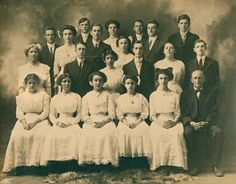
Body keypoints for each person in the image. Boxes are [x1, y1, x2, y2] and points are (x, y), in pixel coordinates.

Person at [2, 74, 50, 173]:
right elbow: (19, 112)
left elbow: (45, 112)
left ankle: (39, 164)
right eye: (29, 83)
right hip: (25, 119)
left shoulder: (44, 95)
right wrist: (24, 123)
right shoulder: (21, 97)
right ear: (26, 84)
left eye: (34, 83)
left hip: (40, 120)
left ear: (38, 84)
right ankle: (19, 164)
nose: (32, 85)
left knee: (42, 135)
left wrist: (35, 122)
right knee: (17, 135)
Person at [181, 70, 224, 177]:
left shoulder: (211, 92)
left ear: (204, 79)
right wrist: (191, 123)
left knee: (219, 133)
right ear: (191, 80)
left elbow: (213, 110)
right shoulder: (185, 93)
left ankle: (216, 165)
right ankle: (195, 165)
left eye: (200, 78)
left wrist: (207, 122)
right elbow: (183, 111)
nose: (198, 80)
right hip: (192, 123)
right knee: (187, 133)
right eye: (195, 78)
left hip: (207, 123)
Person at [149, 68, 187, 173]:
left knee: (175, 134)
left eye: (166, 78)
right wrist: (160, 122)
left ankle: (174, 165)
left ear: (169, 79)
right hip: (158, 120)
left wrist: (174, 122)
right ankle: (161, 164)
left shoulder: (174, 94)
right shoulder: (153, 95)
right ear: (157, 80)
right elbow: (152, 115)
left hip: (172, 120)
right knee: (158, 135)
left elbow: (178, 112)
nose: (163, 81)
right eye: (161, 78)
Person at [41, 73, 82, 167]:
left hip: (72, 122)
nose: (67, 84)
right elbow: (52, 115)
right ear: (60, 83)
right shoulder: (55, 98)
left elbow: (79, 114)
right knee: (52, 135)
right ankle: (56, 162)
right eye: (64, 81)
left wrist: (71, 123)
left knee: (77, 134)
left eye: (69, 81)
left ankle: (73, 161)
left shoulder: (77, 96)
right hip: (59, 121)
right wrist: (57, 122)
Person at [78, 71, 118, 166]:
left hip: (105, 120)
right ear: (91, 82)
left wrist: (103, 122)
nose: (98, 83)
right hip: (91, 121)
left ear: (103, 82)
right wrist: (92, 123)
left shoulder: (108, 95)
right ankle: (90, 161)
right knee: (88, 133)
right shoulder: (87, 96)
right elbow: (84, 115)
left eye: (100, 81)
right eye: (95, 80)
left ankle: (106, 160)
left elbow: (112, 114)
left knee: (108, 133)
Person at [116, 75, 150, 167]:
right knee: (123, 132)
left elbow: (145, 112)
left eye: (132, 83)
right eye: (128, 83)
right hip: (125, 120)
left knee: (143, 131)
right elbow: (119, 113)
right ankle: (125, 160)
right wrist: (126, 122)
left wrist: (137, 122)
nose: (130, 85)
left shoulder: (141, 97)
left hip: (137, 119)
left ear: (136, 84)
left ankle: (140, 160)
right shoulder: (121, 98)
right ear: (124, 85)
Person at [41, 27, 59, 96]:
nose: (50, 37)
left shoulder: (60, 49)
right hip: (45, 79)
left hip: (56, 78)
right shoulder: (41, 50)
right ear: (45, 36)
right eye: (48, 35)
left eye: (52, 35)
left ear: (55, 36)